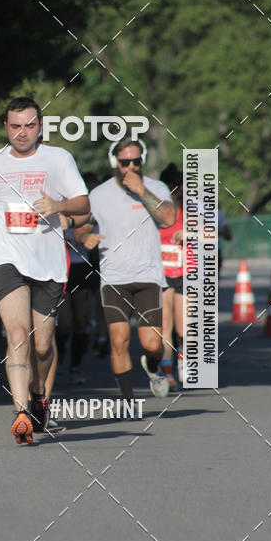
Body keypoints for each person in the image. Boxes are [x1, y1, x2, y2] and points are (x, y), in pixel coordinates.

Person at [0, 96, 89, 444]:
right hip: (6, 258)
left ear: (40, 127)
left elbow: (83, 204)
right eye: (15, 126)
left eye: (29, 125)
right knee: (18, 334)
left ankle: (40, 400)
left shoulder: (58, 159)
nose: (22, 133)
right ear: (6, 127)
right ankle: (21, 412)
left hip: (49, 263)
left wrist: (58, 205)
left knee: (43, 345)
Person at [76, 137, 175, 405]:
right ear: (114, 163)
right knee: (119, 341)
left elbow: (168, 218)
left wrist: (142, 191)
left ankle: (153, 367)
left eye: (136, 161)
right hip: (114, 278)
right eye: (124, 162)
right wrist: (85, 237)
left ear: (142, 161)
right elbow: (83, 226)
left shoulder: (156, 188)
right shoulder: (99, 195)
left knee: (152, 344)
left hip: (148, 276)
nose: (130, 166)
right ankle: (128, 400)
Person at [56, 172, 104, 384]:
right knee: (64, 323)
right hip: (60, 269)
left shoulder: (88, 211)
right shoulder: (56, 204)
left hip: (83, 269)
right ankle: (59, 358)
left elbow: (92, 237)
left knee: (81, 322)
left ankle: (75, 367)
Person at [159, 163, 185, 389]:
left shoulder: (191, 209)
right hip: (163, 273)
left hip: (186, 271)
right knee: (165, 323)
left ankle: (183, 360)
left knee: (183, 327)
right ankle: (167, 372)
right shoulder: (157, 210)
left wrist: (190, 233)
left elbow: (211, 234)